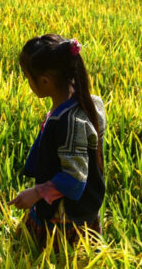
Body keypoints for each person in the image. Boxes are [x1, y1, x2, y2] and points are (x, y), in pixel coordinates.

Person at [10, 34, 107, 247]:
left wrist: (36, 193)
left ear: (45, 80)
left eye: (28, 77)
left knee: (47, 264)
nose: (28, 83)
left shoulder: (70, 123)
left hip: (64, 217)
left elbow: (74, 179)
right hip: (74, 206)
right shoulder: (86, 101)